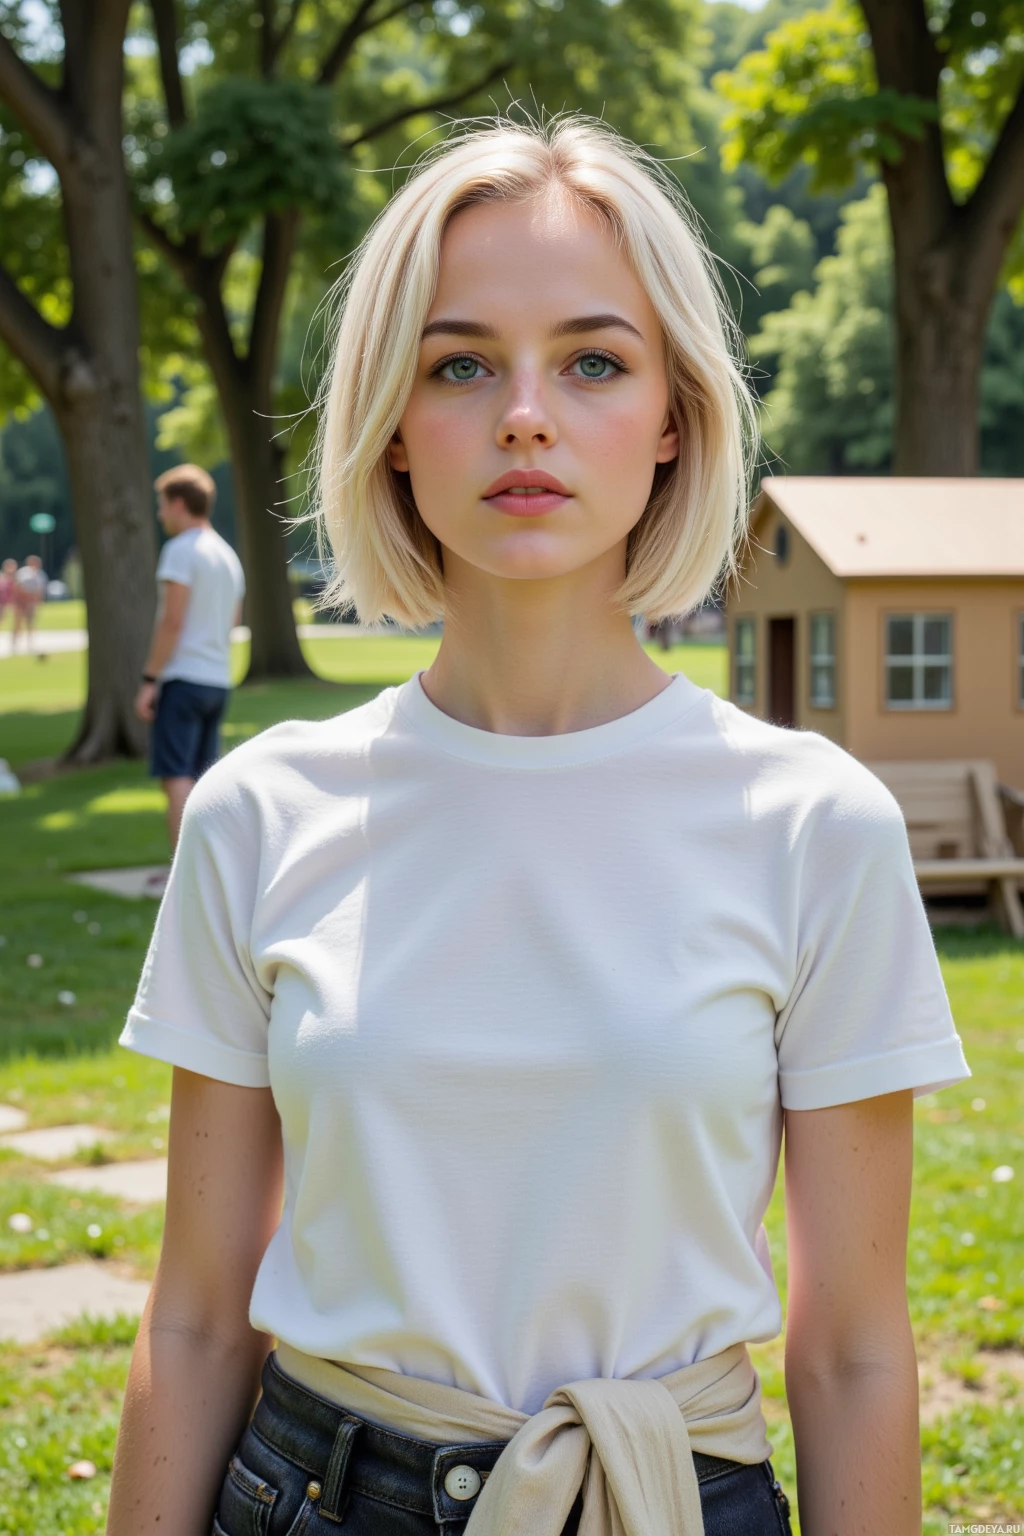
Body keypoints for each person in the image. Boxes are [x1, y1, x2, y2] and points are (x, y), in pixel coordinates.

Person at [109, 118, 972, 1536]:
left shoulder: (817, 826)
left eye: (592, 361)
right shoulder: (261, 812)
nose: (525, 414)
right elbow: (198, 1318)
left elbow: (856, 1351)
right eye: (461, 364)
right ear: (392, 418)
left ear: (675, 414)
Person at [133, 464, 245, 856]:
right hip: (218, 680)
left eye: (163, 506)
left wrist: (150, 678)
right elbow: (232, 621)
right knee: (204, 781)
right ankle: (210, 874)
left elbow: (172, 620)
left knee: (176, 777)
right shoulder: (228, 556)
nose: (161, 514)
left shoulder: (180, 551)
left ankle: (183, 879)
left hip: (184, 680)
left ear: (179, 504)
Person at [12, 553, 47, 654]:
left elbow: (41, 590)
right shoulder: (23, 572)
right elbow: (17, 585)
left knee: (30, 622)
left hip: (32, 602)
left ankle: (30, 642)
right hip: (21, 601)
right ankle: (15, 642)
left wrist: (36, 601)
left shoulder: (40, 575)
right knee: (18, 622)